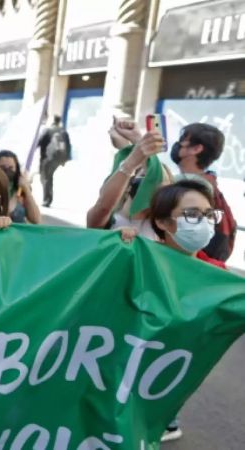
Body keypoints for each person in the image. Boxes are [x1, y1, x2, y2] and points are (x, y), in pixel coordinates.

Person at [147, 179, 227, 443]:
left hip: (174, 367)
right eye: (192, 214)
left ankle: (166, 422)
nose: (203, 222)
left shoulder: (218, 274)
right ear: (162, 222)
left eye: (208, 215)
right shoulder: (141, 259)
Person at [88, 120, 169, 242]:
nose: (144, 180)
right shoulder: (107, 218)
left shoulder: (164, 226)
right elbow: (104, 205)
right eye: (139, 174)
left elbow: (160, 180)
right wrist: (130, 161)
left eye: (147, 175)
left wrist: (138, 139)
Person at [169, 123, 237, 262]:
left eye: (182, 140)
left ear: (196, 149)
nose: (177, 144)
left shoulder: (191, 190)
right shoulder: (208, 185)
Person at [0, 151, 41, 224]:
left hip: (18, 234)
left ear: (16, 169)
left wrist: (26, 189)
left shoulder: (20, 190)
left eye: (11, 167)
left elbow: (36, 220)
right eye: (2, 167)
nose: (7, 170)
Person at [37, 115, 72, 207]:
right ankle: (48, 198)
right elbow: (68, 145)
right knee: (49, 177)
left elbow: (39, 142)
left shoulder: (48, 130)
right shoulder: (63, 131)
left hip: (48, 158)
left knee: (45, 178)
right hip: (58, 158)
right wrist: (65, 159)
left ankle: (47, 199)